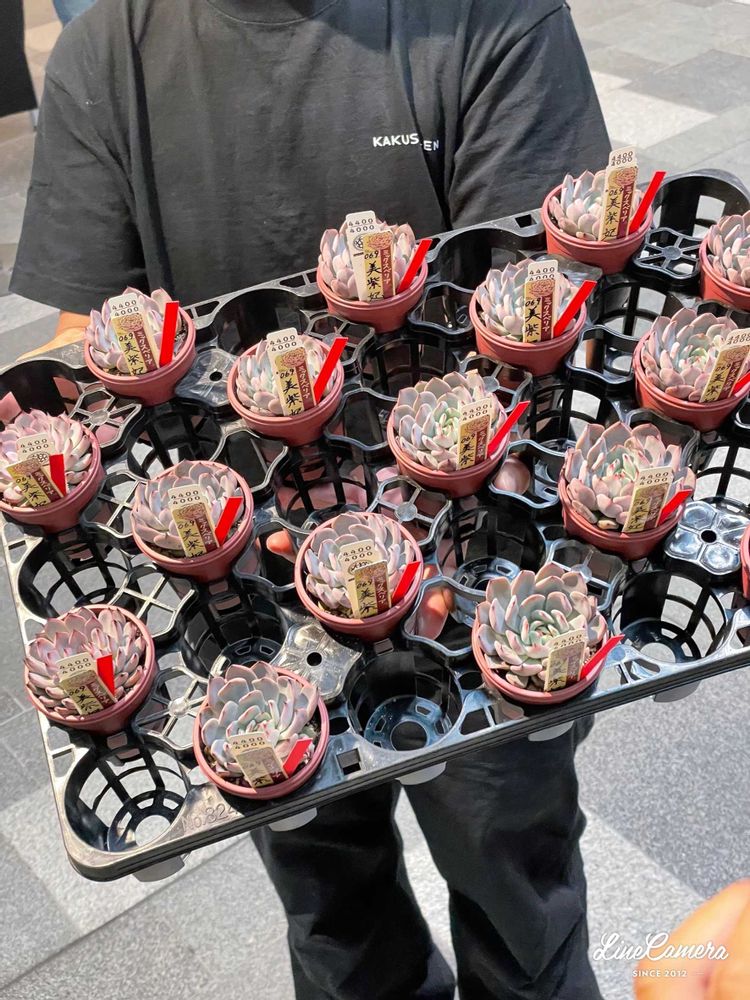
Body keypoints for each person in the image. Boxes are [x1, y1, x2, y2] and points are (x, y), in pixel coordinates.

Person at [11, 2, 611, 997]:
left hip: (467, 565)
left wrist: (463, 502)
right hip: (248, 590)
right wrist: (54, 426)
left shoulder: (486, 16)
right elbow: (97, 328)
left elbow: (535, 299)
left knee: (517, 888)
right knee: (336, 918)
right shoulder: (109, 50)